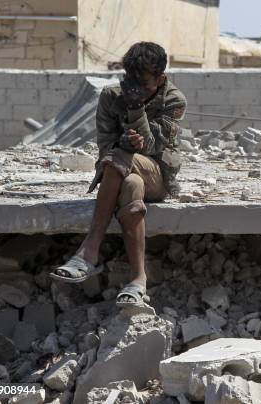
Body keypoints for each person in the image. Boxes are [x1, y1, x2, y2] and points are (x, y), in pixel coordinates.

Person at [50, 42, 187, 307]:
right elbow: (104, 148)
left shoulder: (173, 100)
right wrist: (123, 143)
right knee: (130, 182)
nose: (135, 89)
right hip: (123, 172)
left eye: (144, 84)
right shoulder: (111, 96)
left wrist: (136, 110)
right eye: (130, 82)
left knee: (120, 160)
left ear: (160, 79)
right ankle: (138, 280)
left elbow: (152, 146)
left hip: (158, 176)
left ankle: (90, 249)